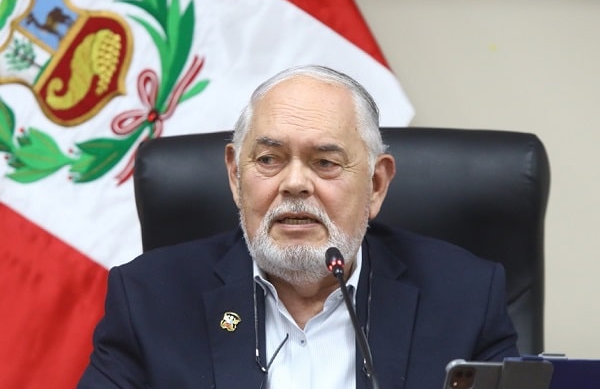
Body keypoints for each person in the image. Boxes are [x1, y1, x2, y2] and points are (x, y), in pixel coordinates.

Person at [78, 65, 518, 389]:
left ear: (376, 184)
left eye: (325, 162)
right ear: (235, 175)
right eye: (269, 159)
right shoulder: (149, 300)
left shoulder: (466, 298)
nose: (294, 184)